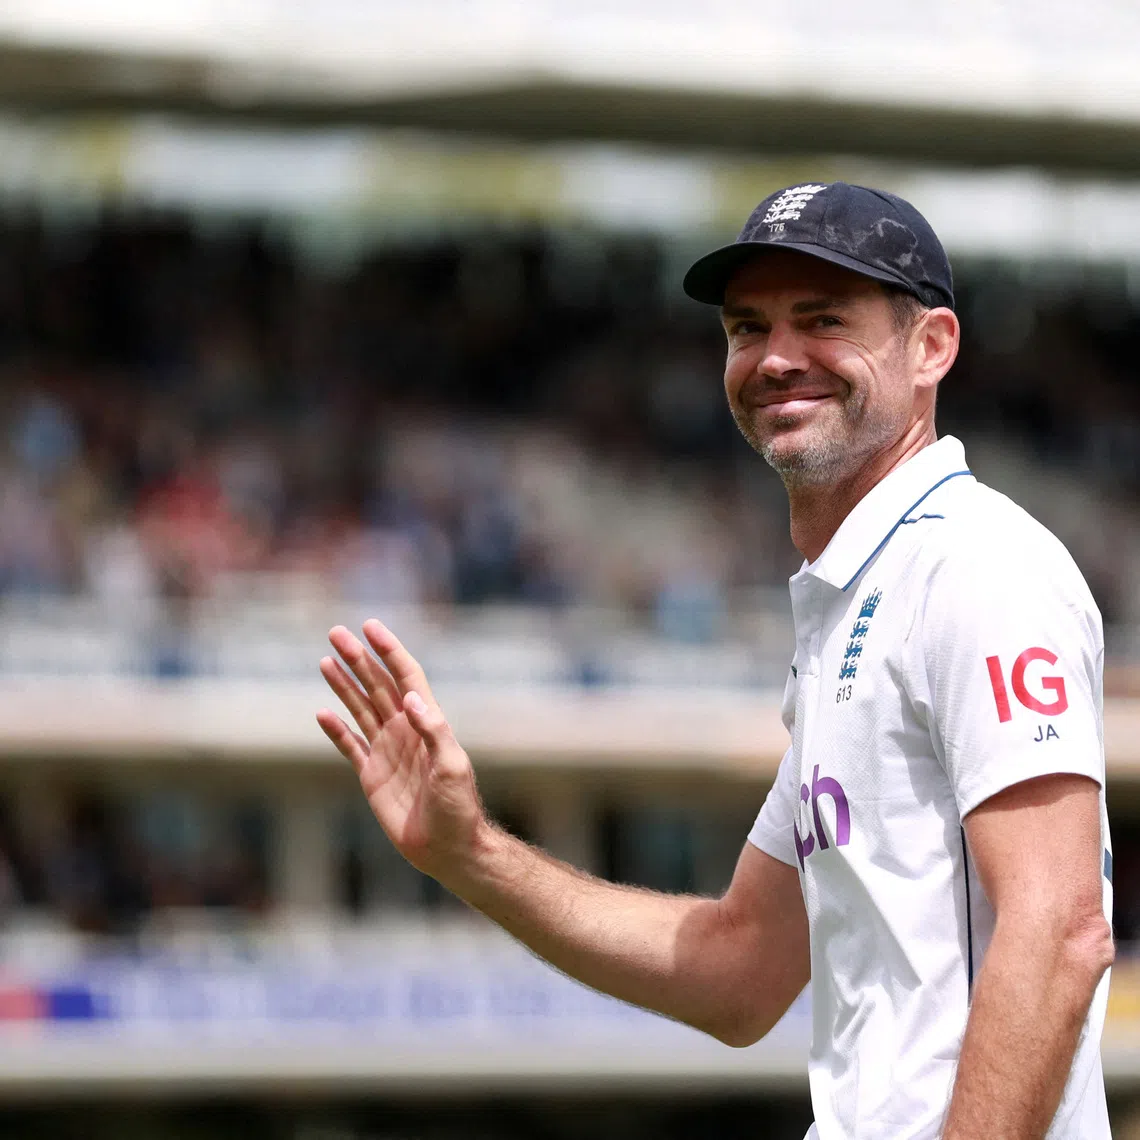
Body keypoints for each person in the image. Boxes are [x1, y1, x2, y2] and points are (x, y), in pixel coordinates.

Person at [316, 182, 1114, 1139]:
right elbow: (738, 972)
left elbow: (1061, 930)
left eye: (824, 320)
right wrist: (470, 854)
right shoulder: (860, 595)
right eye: (748, 328)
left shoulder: (976, 566)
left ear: (931, 347)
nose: (778, 358)